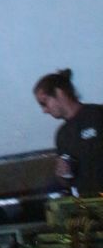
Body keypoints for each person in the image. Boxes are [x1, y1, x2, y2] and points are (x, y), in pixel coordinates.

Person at [34, 69, 103, 197]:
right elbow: (67, 181)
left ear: (59, 93)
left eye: (44, 103)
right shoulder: (62, 135)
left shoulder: (98, 115)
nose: (44, 110)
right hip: (88, 203)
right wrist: (62, 174)